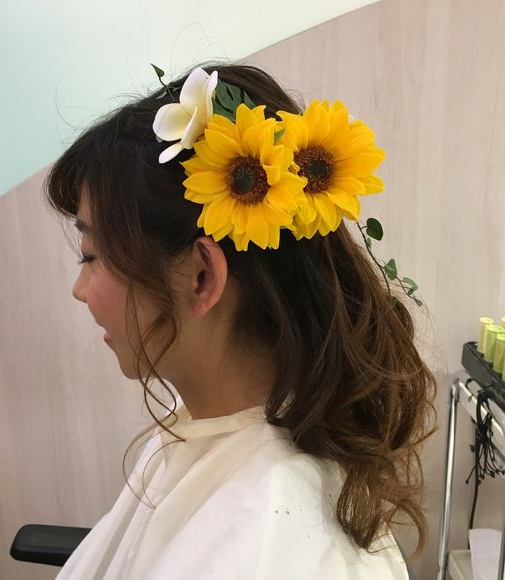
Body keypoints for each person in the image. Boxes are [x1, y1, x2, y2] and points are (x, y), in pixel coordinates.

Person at [45, 62, 437, 579]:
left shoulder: (268, 545)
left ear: (202, 277)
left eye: (91, 256)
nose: (79, 289)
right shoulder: (213, 428)